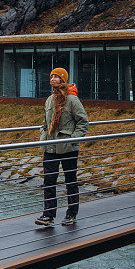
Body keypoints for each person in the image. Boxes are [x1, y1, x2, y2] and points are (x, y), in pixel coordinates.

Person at [35, 67, 89, 227]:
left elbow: (83, 122)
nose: (52, 79)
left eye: (56, 77)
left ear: (63, 80)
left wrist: (73, 140)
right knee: (49, 181)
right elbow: (45, 122)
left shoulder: (72, 100)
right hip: (50, 147)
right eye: (51, 76)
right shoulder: (49, 100)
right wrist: (43, 136)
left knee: (70, 181)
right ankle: (48, 215)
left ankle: (71, 214)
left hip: (68, 148)